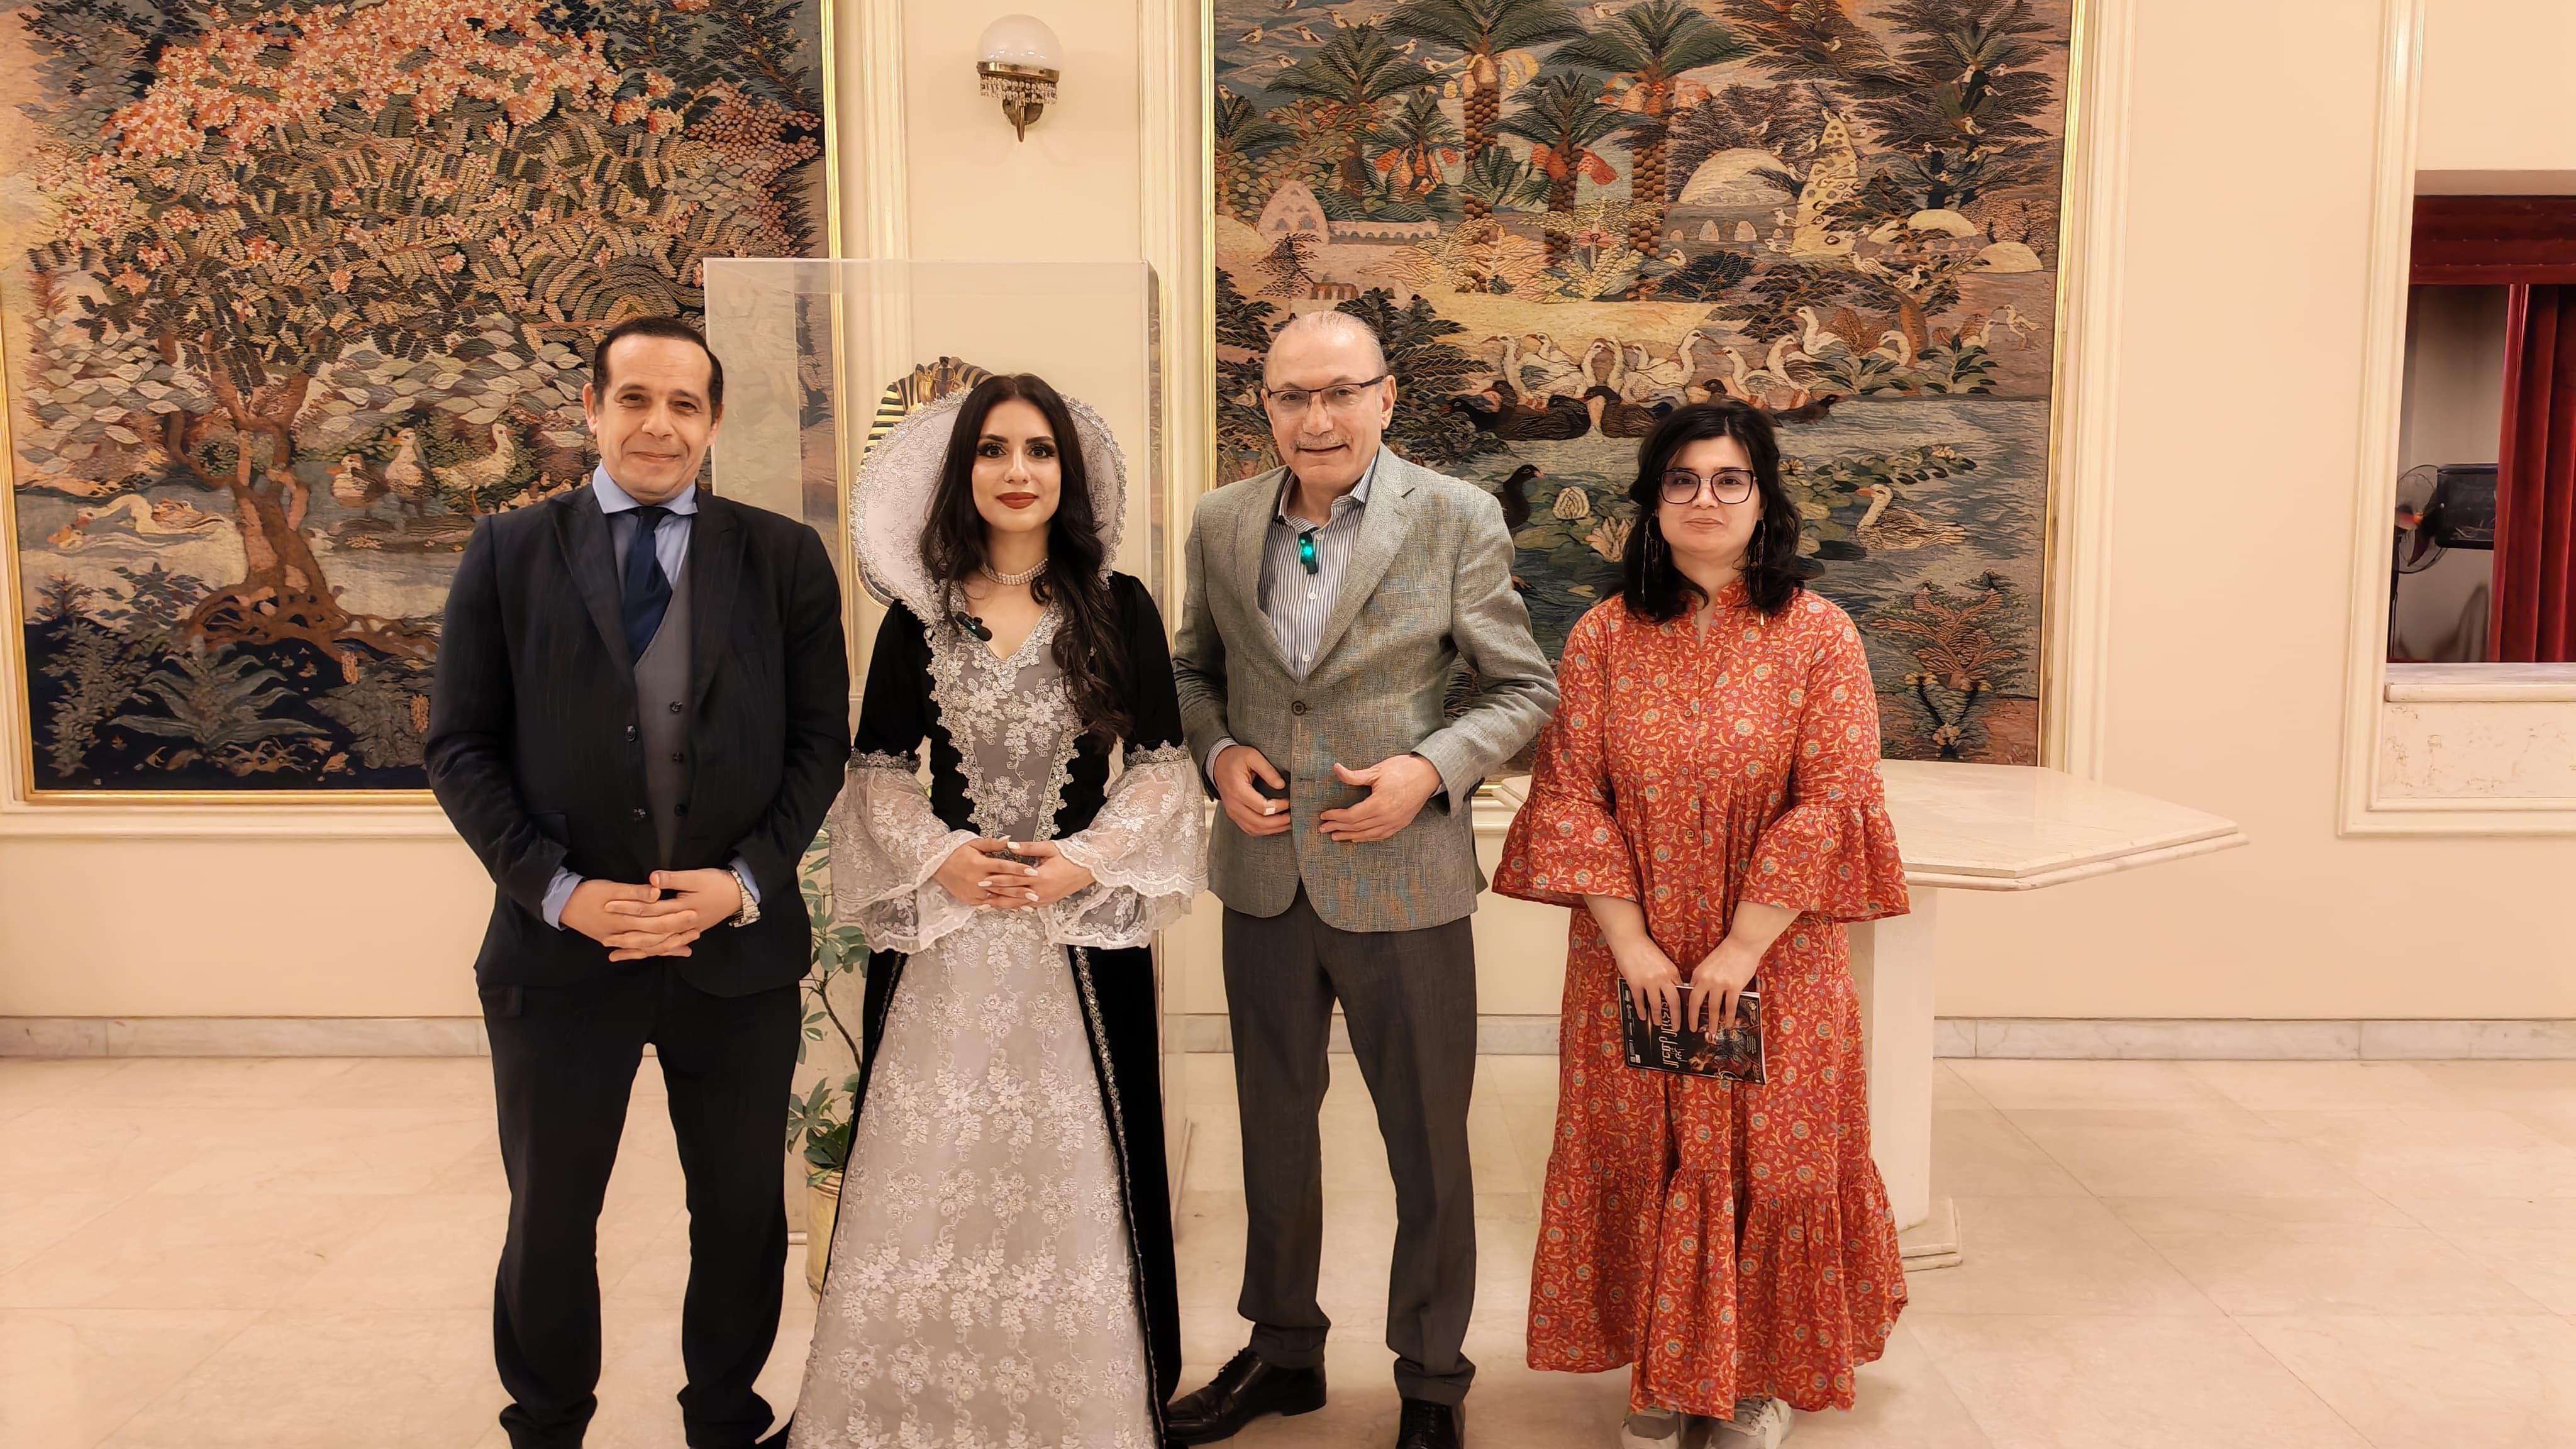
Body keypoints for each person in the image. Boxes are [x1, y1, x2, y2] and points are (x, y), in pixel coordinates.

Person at [426, 314, 850, 1449]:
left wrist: (743, 883)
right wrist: (559, 891)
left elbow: (820, 743)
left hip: (736, 954)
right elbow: (459, 746)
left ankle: (725, 1418)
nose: (658, 424)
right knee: (551, 1215)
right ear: (591, 409)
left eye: (683, 404)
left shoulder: (782, 558)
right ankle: (547, 1422)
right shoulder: (508, 552)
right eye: (635, 399)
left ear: (714, 423)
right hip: (560, 957)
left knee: (741, 1215)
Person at [1167, 311, 1558, 1449]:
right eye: (1293, 396)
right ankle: (1283, 1352)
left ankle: (1432, 1380)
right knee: (1272, 1133)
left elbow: (1524, 689)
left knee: (1427, 1142)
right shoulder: (1222, 520)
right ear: (1266, 407)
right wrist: (1218, 754)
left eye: (1341, 393)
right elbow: (1191, 673)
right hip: (1263, 880)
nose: (1317, 418)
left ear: (1385, 399)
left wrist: (1428, 772)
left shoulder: (1454, 516)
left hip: (1405, 880)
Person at [793, 374, 1206, 1449]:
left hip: (1076, 938)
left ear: (1069, 471)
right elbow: (879, 774)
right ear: (961, 471)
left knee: (1074, 1167)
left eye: (1038, 450)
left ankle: (1082, 1399)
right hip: (948, 941)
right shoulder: (917, 618)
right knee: (934, 1167)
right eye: (992, 450)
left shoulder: (1118, 607)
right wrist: (944, 859)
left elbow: (1163, 769)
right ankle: (920, 1399)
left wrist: (1083, 860)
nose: (1016, 471)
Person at [1492, 400, 1912, 1449]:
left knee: (1775, 1158)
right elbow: (1571, 795)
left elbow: (1833, 800)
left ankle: (1758, 1375)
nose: (1705, 500)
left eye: (1729, 480)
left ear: (1764, 498)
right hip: (1630, 953)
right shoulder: (1603, 635)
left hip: (1777, 952)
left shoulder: (1820, 635)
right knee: (1645, 1147)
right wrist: (1633, 943)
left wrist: (1740, 948)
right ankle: (1666, 1361)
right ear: (1653, 502)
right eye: (1681, 480)